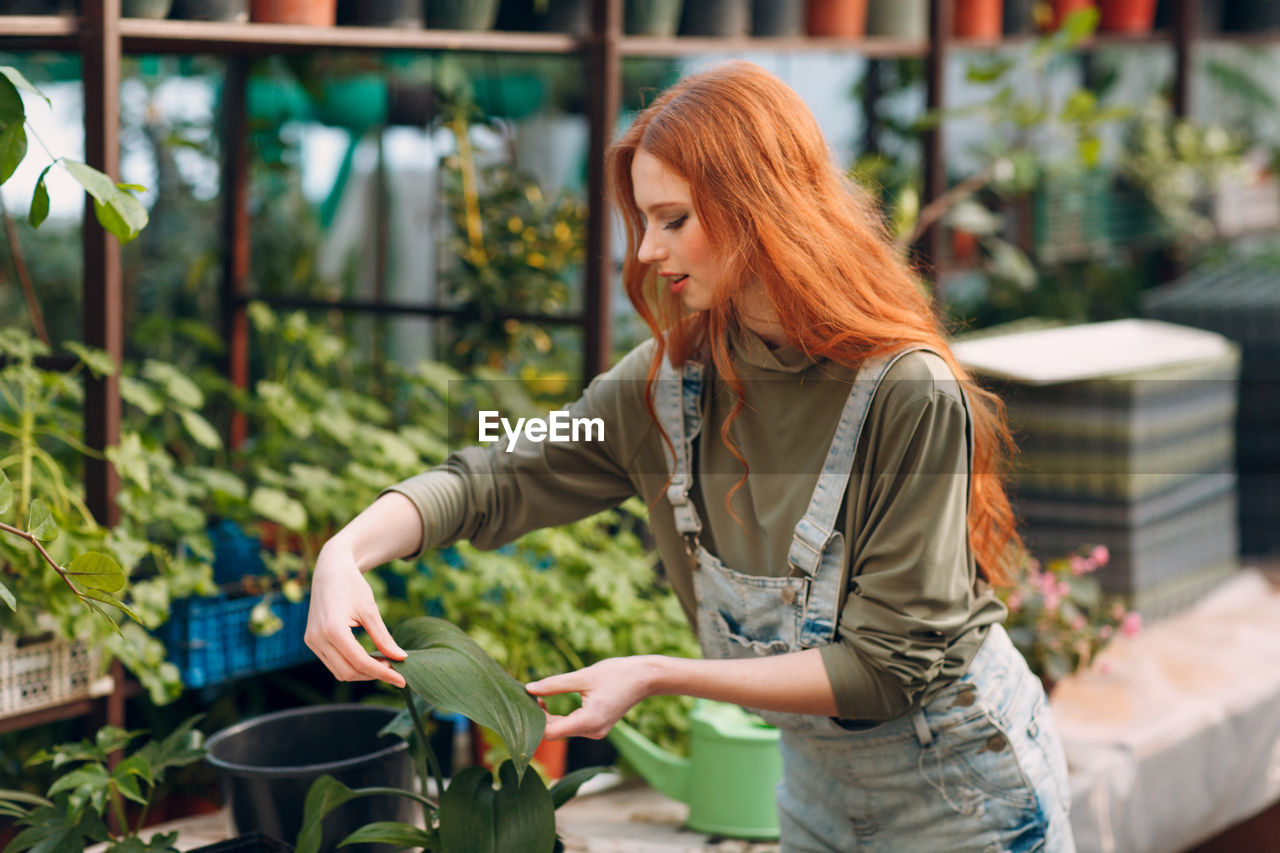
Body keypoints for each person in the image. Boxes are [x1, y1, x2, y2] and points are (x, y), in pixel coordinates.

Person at [305, 61, 1075, 852]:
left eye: (673, 220)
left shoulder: (907, 394)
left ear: (759, 208)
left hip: (961, 790)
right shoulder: (670, 389)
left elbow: (883, 669)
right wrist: (347, 549)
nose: (644, 252)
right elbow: (500, 473)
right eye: (642, 221)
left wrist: (656, 671)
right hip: (815, 787)